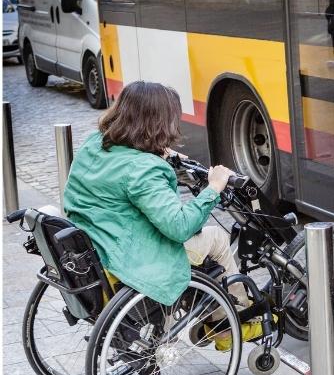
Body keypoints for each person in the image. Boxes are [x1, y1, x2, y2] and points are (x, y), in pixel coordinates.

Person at [63, 81, 252, 348]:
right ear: (158, 123)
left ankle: (210, 312)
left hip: (97, 242)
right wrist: (214, 187)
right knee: (216, 238)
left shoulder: (95, 144)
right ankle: (230, 324)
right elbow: (179, 226)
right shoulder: (143, 169)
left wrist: (157, 154)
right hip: (131, 256)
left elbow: (123, 178)